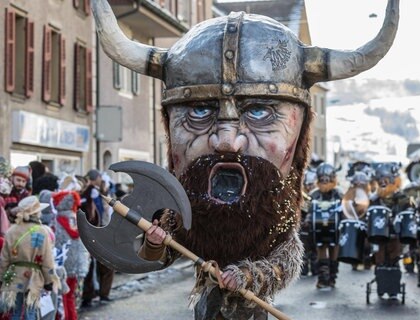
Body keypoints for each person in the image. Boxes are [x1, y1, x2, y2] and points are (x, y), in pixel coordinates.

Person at [91, 0, 399, 318]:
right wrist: (155, 240)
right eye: (199, 111)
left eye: (258, 111)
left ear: (300, 129)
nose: (227, 141)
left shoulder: (276, 222)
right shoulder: (184, 214)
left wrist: (247, 276)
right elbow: (158, 255)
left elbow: (284, 263)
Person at [0, 196, 56, 320]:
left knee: (15, 311)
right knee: (30, 312)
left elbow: (4, 259)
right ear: (36, 213)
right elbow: (47, 259)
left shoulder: (11, 231)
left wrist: (1, 277)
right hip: (34, 278)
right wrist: (49, 281)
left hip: (14, 276)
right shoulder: (42, 231)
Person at [367, 162, 411, 298]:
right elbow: (367, 214)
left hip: (395, 234)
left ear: (392, 180)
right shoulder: (374, 199)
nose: (383, 182)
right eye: (381, 180)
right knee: (379, 259)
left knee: (394, 259)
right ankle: (381, 285)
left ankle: (393, 288)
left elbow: (409, 211)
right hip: (378, 235)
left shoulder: (401, 197)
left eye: (386, 179)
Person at [52, 190, 90, 320]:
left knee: (63, 296)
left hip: (63, 264)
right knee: (71, 297)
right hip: (78, 263)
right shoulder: (76, 218)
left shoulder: (57, 220)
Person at [306, 163, 343, 289]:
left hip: (335, 229)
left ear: (333, 178)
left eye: (327, 179)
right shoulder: (313, 194)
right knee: (321, 250)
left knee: (334, 251)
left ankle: (332, 277)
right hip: (319, 229)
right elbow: (307, 209)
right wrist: (308, 218)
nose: (325, 182)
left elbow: (346, 210)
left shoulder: (339, 194)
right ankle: (322, 278)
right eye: (322, 179)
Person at [80, 169, 114, 307]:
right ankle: (93, 294)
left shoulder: (99, 192)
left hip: (100, 231)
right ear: (97, 178)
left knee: (102, 265)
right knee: (96, 265)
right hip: (95, 232)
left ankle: (98, 294)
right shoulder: (89, 194)